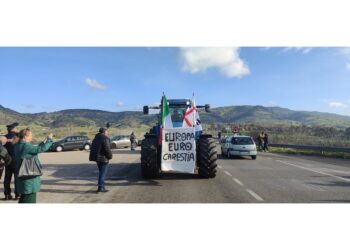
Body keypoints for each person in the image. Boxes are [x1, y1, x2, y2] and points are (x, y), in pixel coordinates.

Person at [14, 128, 53, 203]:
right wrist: (49, 139)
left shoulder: (18, 145)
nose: (31, 137)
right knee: (29, 199)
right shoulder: (26, 146)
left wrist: (43, 141)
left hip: (22, 175)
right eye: (30, 136)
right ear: (25, 136)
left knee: (23, 198)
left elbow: (36, 149)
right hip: (29, 178)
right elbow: (41, 149)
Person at [89, 128, 113, 193]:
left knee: (101, 173)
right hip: (103, 159)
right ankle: (100, 188)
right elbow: (107, 149)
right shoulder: (105, 138)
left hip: (97, 159)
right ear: (104, 132)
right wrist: (110, 156)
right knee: (102, 174)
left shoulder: (96, 138)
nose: (107, 133)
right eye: (107, 132)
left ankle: (102, 187)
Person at [4, 122, 20, 200]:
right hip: (16, 160)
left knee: (7, 178)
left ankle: (7, 195)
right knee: (16, 178)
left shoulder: (4, 137)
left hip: (7, 160)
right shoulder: (17, 137)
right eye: (16, 128)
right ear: (13, 129)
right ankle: (17, 195)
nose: (17, 129)